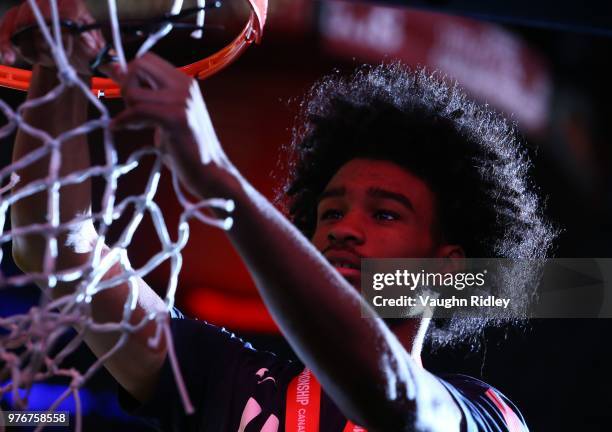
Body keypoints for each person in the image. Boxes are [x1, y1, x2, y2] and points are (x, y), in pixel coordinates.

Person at [0, 1, 555, 431]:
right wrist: (61, 51)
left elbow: (393, 394)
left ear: (446, 268)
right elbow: (54, 246)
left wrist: (222, 181)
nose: (342, 227)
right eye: (329, 211)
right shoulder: (228, 381)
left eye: (385, 215)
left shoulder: (487, 413)